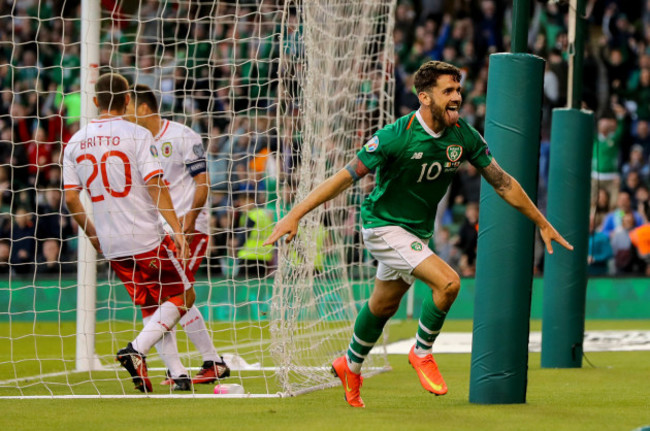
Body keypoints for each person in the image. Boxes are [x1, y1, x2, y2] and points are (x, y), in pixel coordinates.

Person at [264, 61, 573, 408]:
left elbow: (503, 183)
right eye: (448, 91)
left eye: (458, 90)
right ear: (424, 97)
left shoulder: (464, 137)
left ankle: (349, 364)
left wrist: (541, 221)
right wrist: (294, 215)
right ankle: (421, 351)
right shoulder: (395, 136)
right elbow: (343, 177)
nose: (457, 97)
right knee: (449, 283)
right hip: (382, 226)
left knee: (383, 305)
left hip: (416, 232)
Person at [63, 73, 194, 393]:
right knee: (185, 295)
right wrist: (177, 229)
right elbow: (155, 184)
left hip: (111, 242)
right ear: (126, 102)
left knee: (153, 305)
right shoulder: (136, 134)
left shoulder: (75, 142)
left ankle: (177, 373)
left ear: (95, 102)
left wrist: (93, 234)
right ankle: (136, 350)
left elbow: (69, 197)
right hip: (144, 235)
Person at [125, 84, 230, 390]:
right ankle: (189, 369)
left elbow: (203, 183)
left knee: (173, 296)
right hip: (154, 235)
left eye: (129, 108)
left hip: (189, 229)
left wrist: (186, 224)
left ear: (144, 109)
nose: (126, 116)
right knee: (164, 299)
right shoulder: (135, 144)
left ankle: (149, 354)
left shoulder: (183, 135)